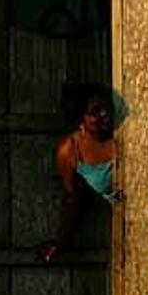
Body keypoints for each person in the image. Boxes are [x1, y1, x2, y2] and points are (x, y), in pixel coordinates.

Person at [42, 83, 121, 263]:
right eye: (95, 112)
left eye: (105, 107)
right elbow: (74, 200)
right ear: (80, 120)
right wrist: (61, 243)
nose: (104, 114)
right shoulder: (70, 151)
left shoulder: (124, 133)